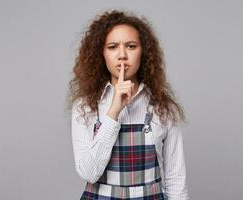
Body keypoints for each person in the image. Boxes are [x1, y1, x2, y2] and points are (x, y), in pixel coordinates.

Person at [68, 9, 189, 199]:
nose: (122, 55)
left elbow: (175, 179)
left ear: (144, 53)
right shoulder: (84, 107)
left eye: (131, 46)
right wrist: (114, 111)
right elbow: (89, 173)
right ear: (102, 53)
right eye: (113, 47)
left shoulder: (164, 108)